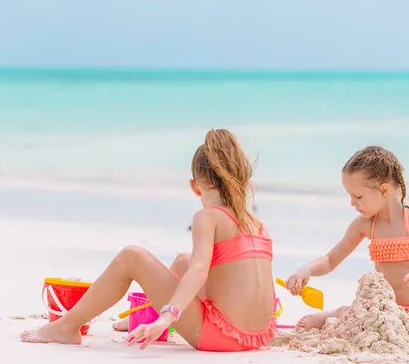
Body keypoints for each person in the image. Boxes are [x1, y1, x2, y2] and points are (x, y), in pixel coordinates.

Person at [21, 128, 277, 352]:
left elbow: (200, 272)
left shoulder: (207, 217)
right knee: (182, 262)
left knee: (132, 256)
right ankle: (152, 316)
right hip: (258, 336)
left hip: (221, 336)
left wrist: (169, 316)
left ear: (195, 186)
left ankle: (66, 327)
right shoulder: (257, 224)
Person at [285, 145, 409, 334]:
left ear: (384, 190)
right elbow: (330, 260)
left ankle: (336, 314)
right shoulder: (366, 224)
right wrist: (307, 269)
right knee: (354, 316)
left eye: (358, 196)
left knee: (387, 330)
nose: (352, 203)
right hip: (377, 312)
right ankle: (335, 313)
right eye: (350, 196)